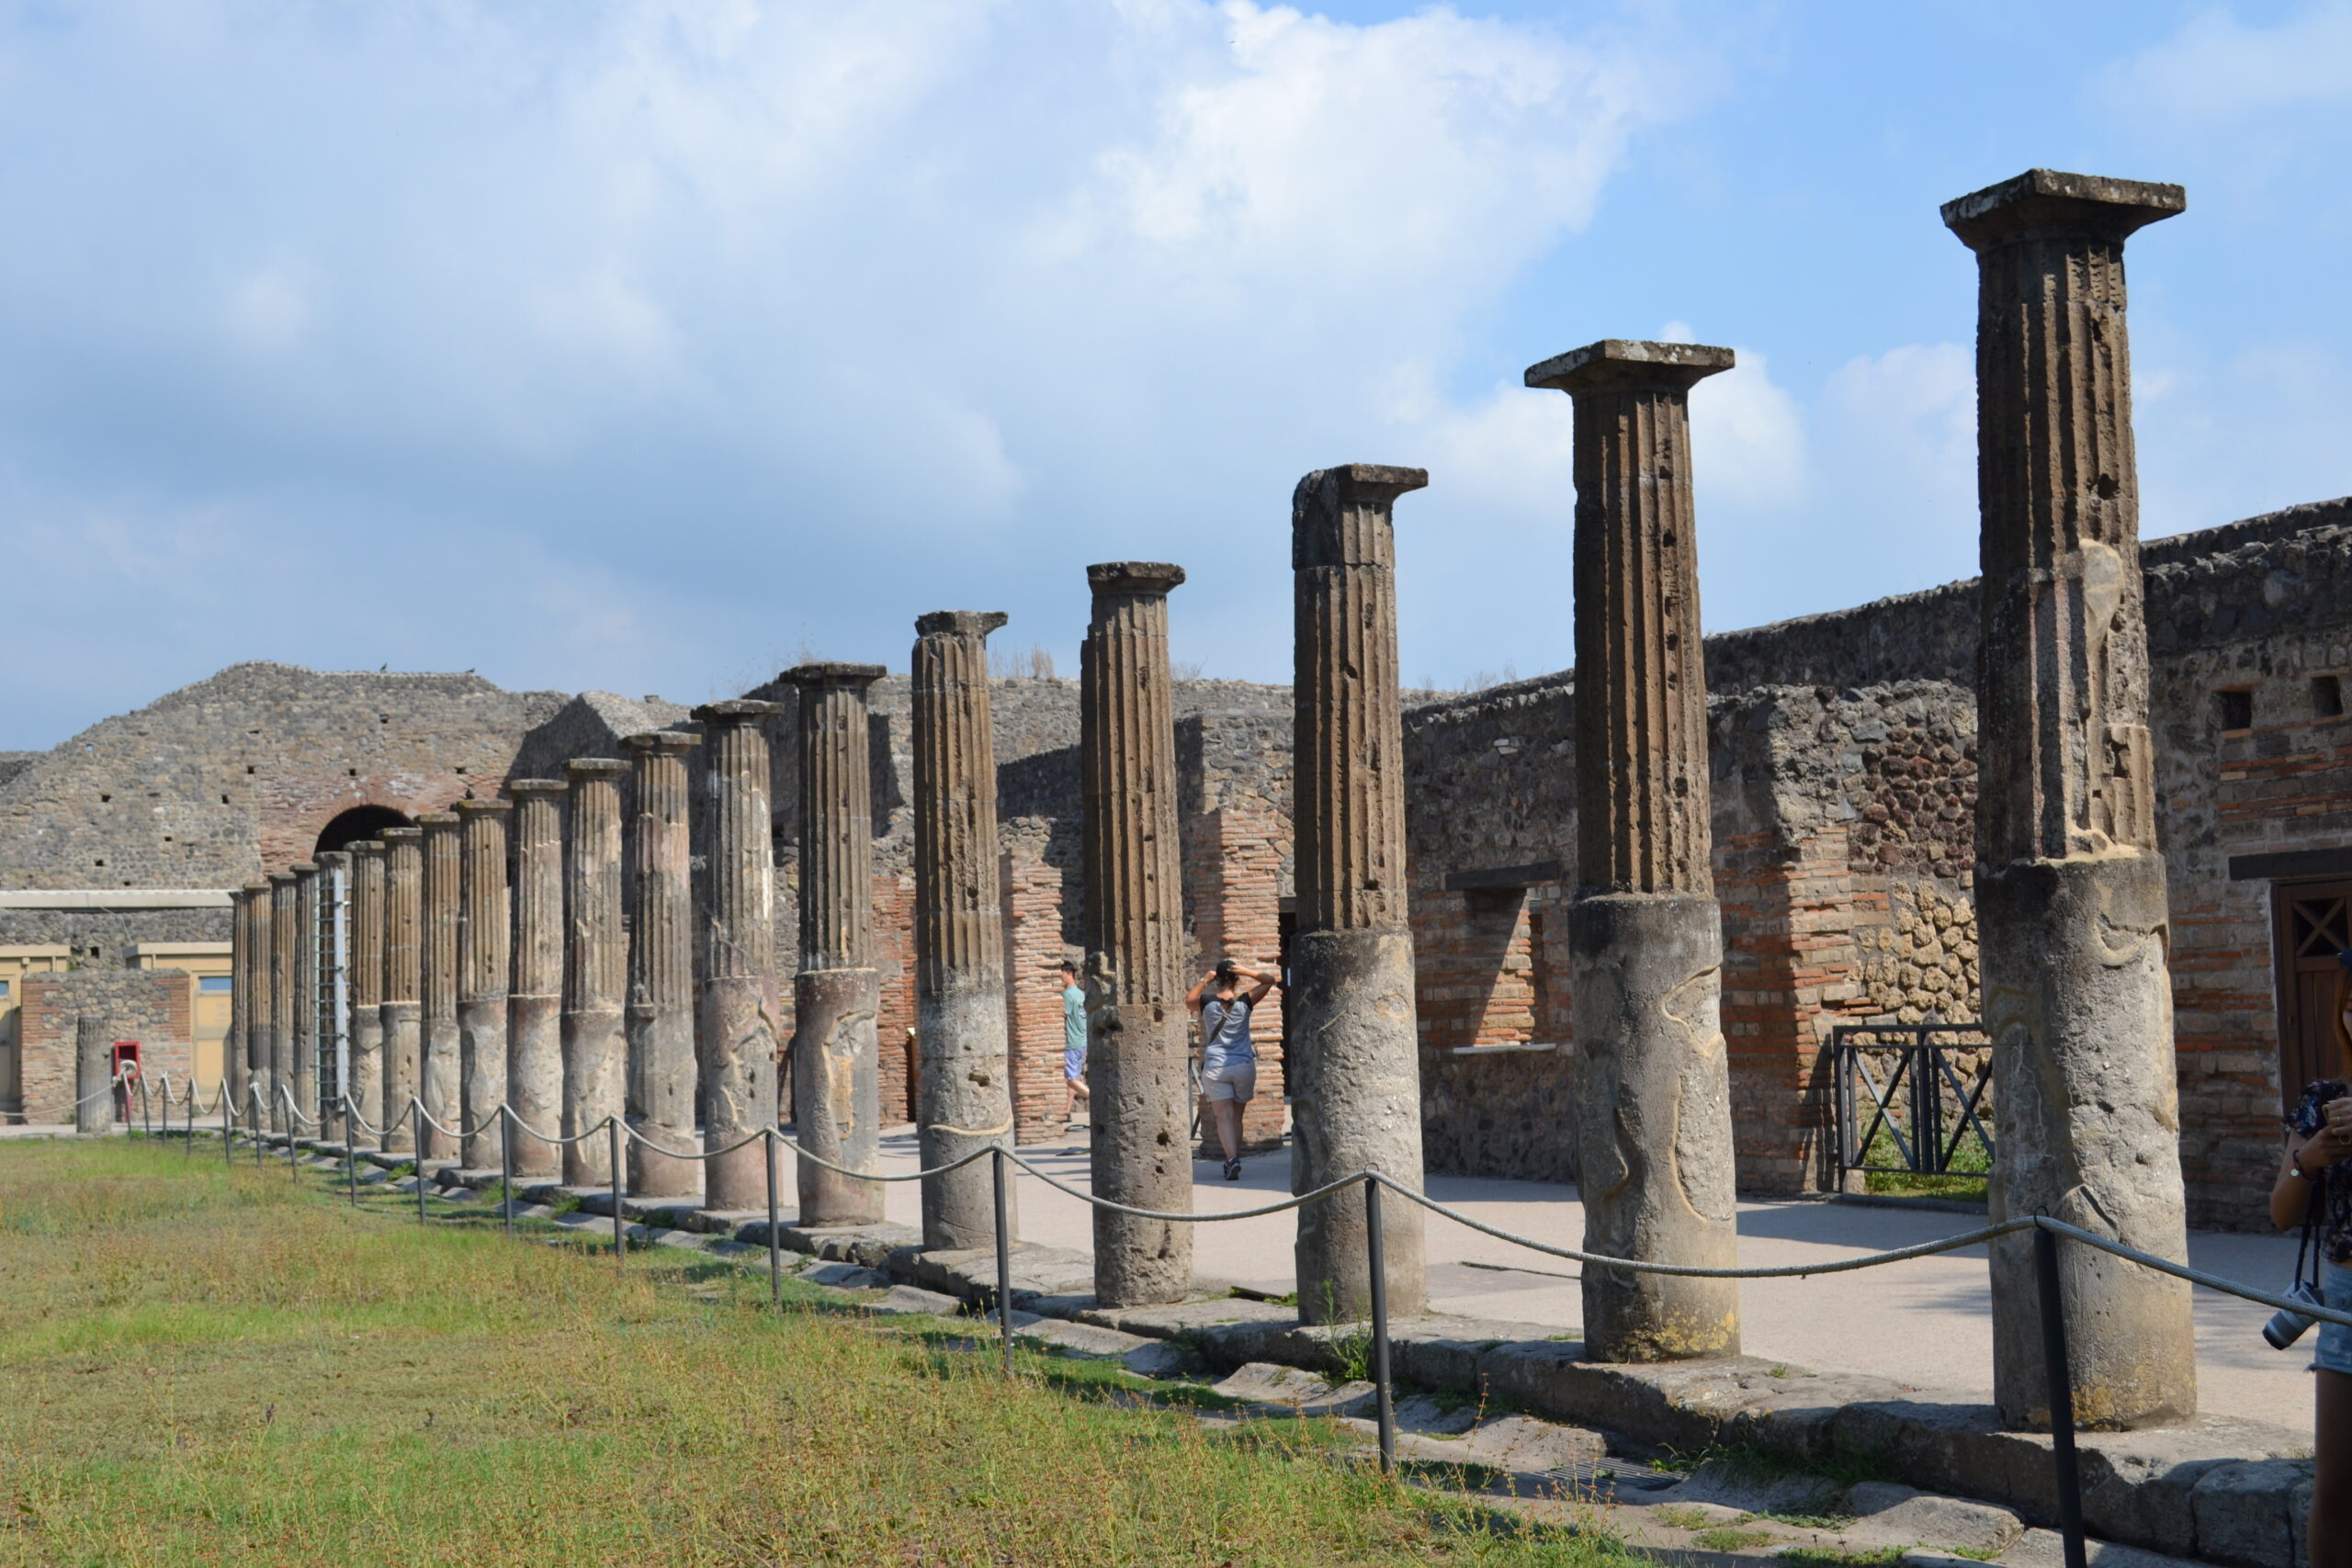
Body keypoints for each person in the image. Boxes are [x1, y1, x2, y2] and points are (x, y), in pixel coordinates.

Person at [2276, 950, 2352, 1568]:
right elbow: (2280, 1211)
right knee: (2335, 1489)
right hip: (2345, 1306)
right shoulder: (2324, 1099)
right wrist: (2311, 1159)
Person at [1189, 957, 1276, 1181]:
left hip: (1217, 1066)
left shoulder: (1207, 1001)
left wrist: (1204, 979)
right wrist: (1248, 972)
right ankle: (1234, 1157)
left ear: (1216, 980)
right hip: (1242, 1066)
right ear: (1236, 979)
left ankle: (1232, 1159)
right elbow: (1269, 981)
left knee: (1223, 1117)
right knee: (1236, 1117)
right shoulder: (1246, 1000)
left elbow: (1188, 1000)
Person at [1060, 960, 1090, 1124]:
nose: (1059, 980)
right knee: (1075, 1078)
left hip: (1071, 1043)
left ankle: (1096, 1098)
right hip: (1083, 1042)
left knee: (1070, 1079)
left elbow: (1061, 1018)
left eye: (1061, 976)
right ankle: (1067, 1110)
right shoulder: (1081, 994)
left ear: (1069, 974)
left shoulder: (1067, 996)